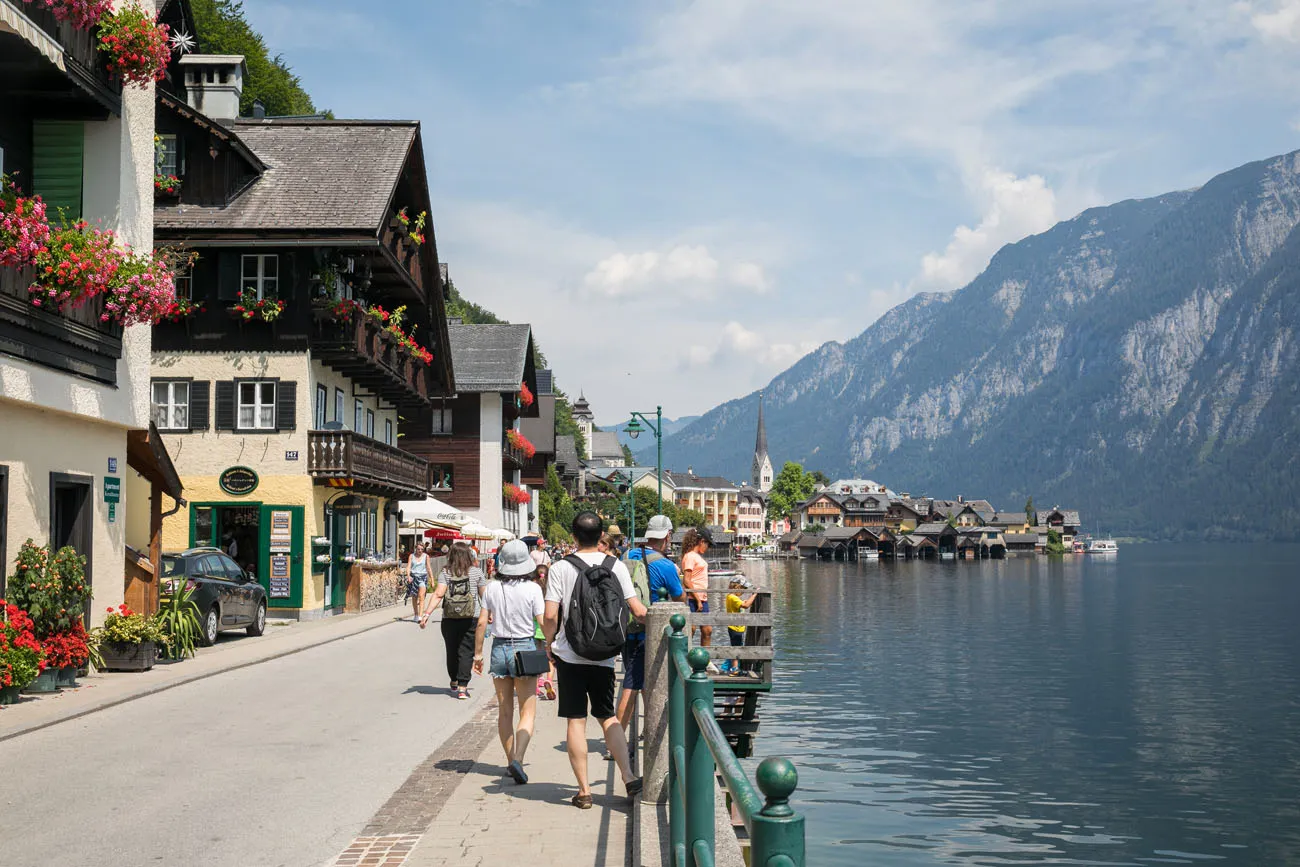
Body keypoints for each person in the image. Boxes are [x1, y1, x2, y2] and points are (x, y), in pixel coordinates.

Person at [543, 511, 647, 809]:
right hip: (604, 654)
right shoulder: (616, 565)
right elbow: (638, 610)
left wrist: (550, 644)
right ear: (602, 535)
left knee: (576, 720)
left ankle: (585, 791)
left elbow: (551, 615)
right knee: (608, 717)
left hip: (570, 654)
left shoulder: (560, 567)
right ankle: (628, 778)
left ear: (573, 536)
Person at [473, 539, 545, 784]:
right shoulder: (534, 589)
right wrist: (553, 645)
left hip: (500, 648)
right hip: (525, 647)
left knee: (505, 711)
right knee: (528, 711)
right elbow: (542, 621)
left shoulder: (492, 588)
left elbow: (482, 622)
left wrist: (478, 654)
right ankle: (519, 759)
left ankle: (509, 760)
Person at [617, 514, 685, 736]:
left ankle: (651, 728)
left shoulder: (626, 555)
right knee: (631, 686)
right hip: (647, 631)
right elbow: (681, 599)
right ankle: (615, 740)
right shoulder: (665, 565)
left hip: (625, 627)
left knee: (643, 681)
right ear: (667, 536)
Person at [419, 543, 486, 699]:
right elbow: (485, 596)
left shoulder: (446, 572)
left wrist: (426, 614)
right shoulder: (476, 572)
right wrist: (489, 613)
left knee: (452, 650)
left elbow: (438, 594)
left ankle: (454, 681)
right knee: (466, 651)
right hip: (471, 617)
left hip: (449, 617)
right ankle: (463, 687)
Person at [681, 527, 714, 651]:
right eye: (708, 544)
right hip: (693, 598)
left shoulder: (696, 556)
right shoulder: (690, 556)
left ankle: (705, 659)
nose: (708, 548)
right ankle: (685, 655)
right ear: (702, 541)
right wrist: (697, 599)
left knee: (707, 629)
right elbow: (687, 580)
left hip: (702, 597)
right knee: (691, 628)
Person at [722, 576, 758, 676]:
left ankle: (734, 667)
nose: (743, 592)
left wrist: (749, 599)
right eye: (743, 589)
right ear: (737, 587)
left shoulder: (733, 597)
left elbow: (743, 603)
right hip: (735, 627)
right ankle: (734, 669)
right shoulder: (732, 597)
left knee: (736, 646)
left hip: (736, 627)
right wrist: (754, 595)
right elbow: (745, 606)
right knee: (736, 648)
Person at [405, 542, 431, 622]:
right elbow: (409, 566)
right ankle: (416, 614)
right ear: (415, 548)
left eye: (422, 549)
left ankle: (420, 616)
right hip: (414, 577)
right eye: (418, 549)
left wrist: (432, 579)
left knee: (421, 596)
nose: (420, 551)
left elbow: (429, 567)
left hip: (422, 577)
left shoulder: (426, 556)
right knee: (414, 597)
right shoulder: (411, 556)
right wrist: (408, 576)